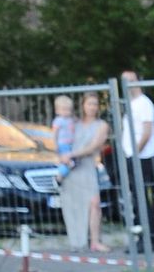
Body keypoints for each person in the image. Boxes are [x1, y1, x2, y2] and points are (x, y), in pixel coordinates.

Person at [58, 92, 111, 252]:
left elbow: (94, 146)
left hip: (87, 167)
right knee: (74, 205)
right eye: (89, 104)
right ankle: (77, 240)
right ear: (83, 106)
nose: (92, 107)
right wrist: (63, 156)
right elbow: (62, 139)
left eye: (95, 104)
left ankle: (95, 241)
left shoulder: (102, 125)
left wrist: (72, 154)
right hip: (71, 169)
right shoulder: (74, 123)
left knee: (94, 203)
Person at [120, 70, 154, 252]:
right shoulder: (130, 104)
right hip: (133, 156)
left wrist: (135, 153)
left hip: (141, 158)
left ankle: (148, 238)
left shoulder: (144, 103)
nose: (128, 84)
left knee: (142, 199)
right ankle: (146, 237)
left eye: (131, 80)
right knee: (138, 198)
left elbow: (146, 131)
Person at [51, 95, 76, 182]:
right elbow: (55, 134)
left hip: (70, 144)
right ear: (57, 110)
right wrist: (55, 145)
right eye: (64, 109)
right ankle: (59, 176)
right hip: (63, 144)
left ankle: (63, 174)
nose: (67, 112)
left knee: (68, 162)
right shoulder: (58, 121)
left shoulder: (70, 120)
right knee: (67, 162)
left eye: (69, 110)